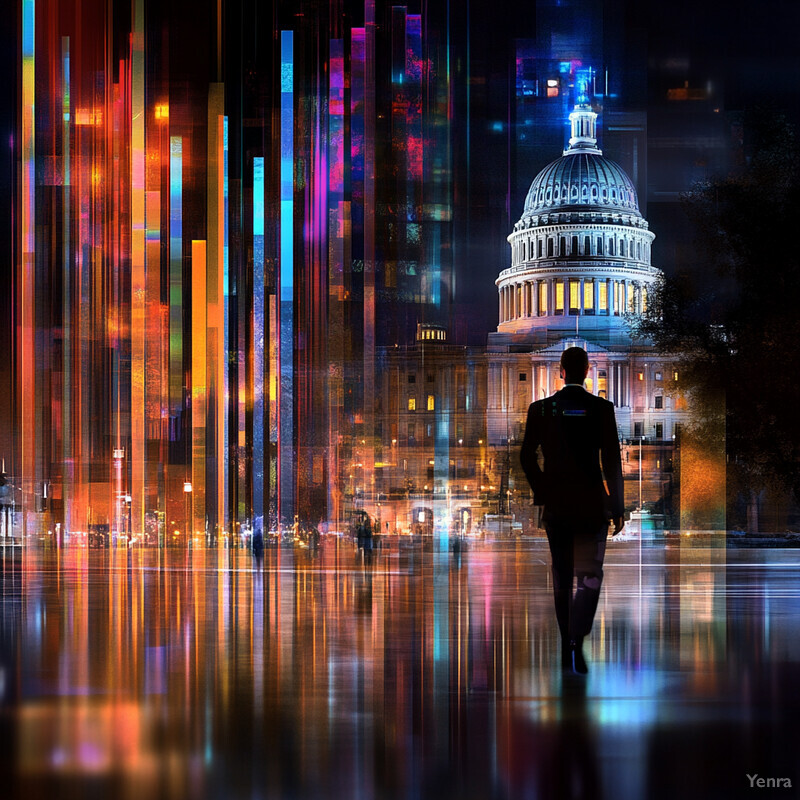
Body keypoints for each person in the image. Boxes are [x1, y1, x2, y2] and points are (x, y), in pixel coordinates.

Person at [520, 346, 624, 675]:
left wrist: (543, 490)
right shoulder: (602, 409)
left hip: (559, 506)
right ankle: (578, 638)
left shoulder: (541, 409)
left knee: (562, 577)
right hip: (593, 506)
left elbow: (526, 457)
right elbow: (611, 461)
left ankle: (567, 641)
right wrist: (617, 505)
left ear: (561, 371)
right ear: (588, 371)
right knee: (590, 576)